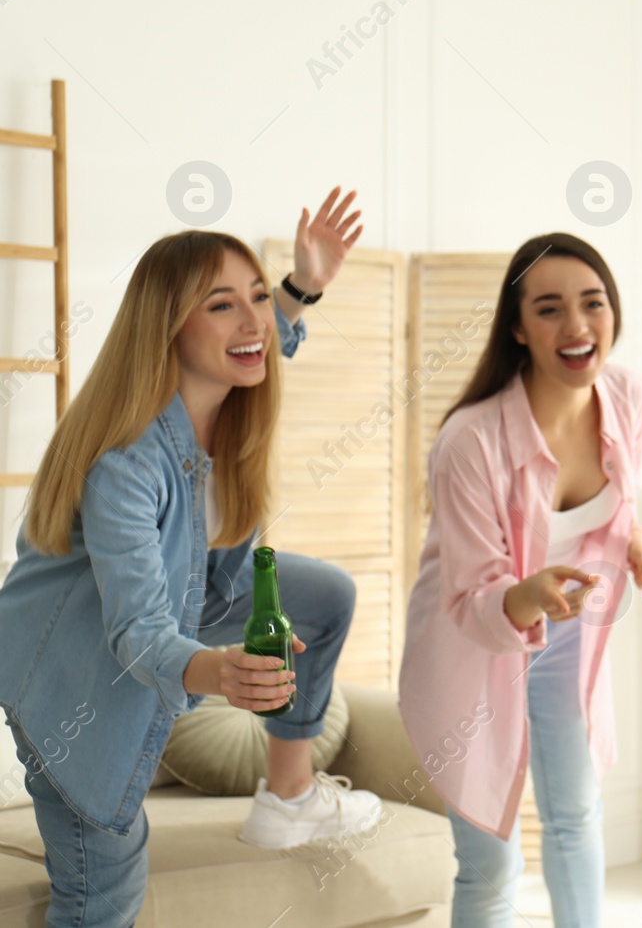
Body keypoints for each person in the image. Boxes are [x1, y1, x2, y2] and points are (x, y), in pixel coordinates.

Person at [0, 192, 377, 928]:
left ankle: (289, 798)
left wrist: (300, 286)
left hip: (184, 596)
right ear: (167, 328)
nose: (255, 320)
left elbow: (272, 339)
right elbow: (137, 630)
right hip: (74, 666)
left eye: (257, 298)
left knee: (325, 595)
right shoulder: (128, 463)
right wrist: (221, 670)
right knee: (103, 889)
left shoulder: (221, 400)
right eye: (221, 305)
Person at [398, 233, 642, 928]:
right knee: (492, 860)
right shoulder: (471, 440)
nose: (577, 326)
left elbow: (615, 500)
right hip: (472, 649)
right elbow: (471, 595)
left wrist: (632, 538)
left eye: (593, 303)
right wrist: (532, 593)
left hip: (569, 642)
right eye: (549, 309)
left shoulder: (629, 395)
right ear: (517, 328)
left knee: (576, 814)